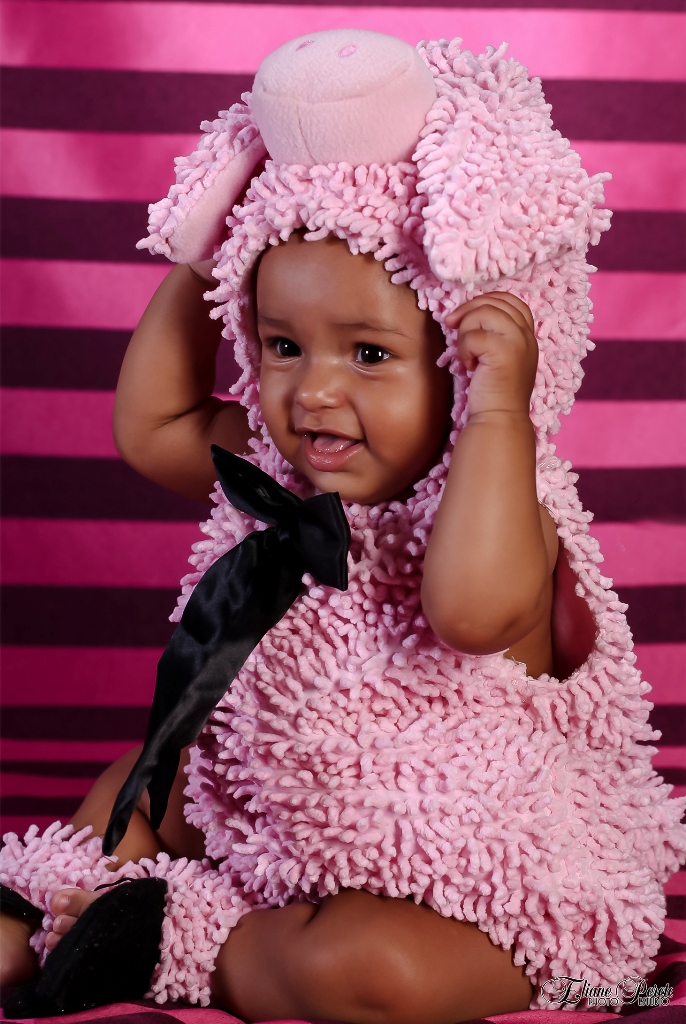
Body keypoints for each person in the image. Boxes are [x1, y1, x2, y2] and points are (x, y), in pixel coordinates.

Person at [1, 30, 685, 1024]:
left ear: (462, 367)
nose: (312, 392)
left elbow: (468, 612)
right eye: (281, 344)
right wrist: (211, 259)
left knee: (367, 969)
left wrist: (498, 411)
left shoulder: (503, 501)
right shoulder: (285, 472)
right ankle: (47, 913)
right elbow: (154, 426)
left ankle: (177, 939)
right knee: (135, 792)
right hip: (280, 821)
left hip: (465, 880)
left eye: (367, 354)